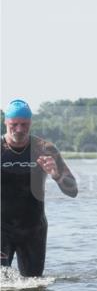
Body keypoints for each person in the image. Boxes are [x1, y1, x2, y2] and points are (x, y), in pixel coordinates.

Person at [1, 99, 78, 276]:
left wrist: (57, 174)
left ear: (31, 123)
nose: (19, 130)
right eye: (14, 124)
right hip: (1, 229)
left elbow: (73, 191)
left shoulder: (44, 149)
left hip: (33, 229)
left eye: (24, 124)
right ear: (5, 122)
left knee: (34, 286)